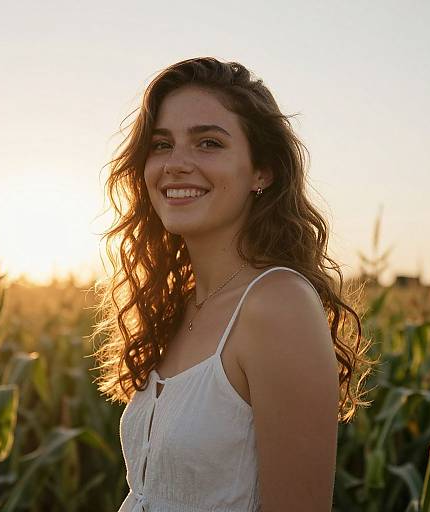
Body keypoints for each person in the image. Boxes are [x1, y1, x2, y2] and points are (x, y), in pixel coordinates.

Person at [91, 57, 375, 512]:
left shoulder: (277, 304)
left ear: (261, 172)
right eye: (161, 144)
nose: (176, 164)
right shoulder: (179, 306)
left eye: (208, 142)